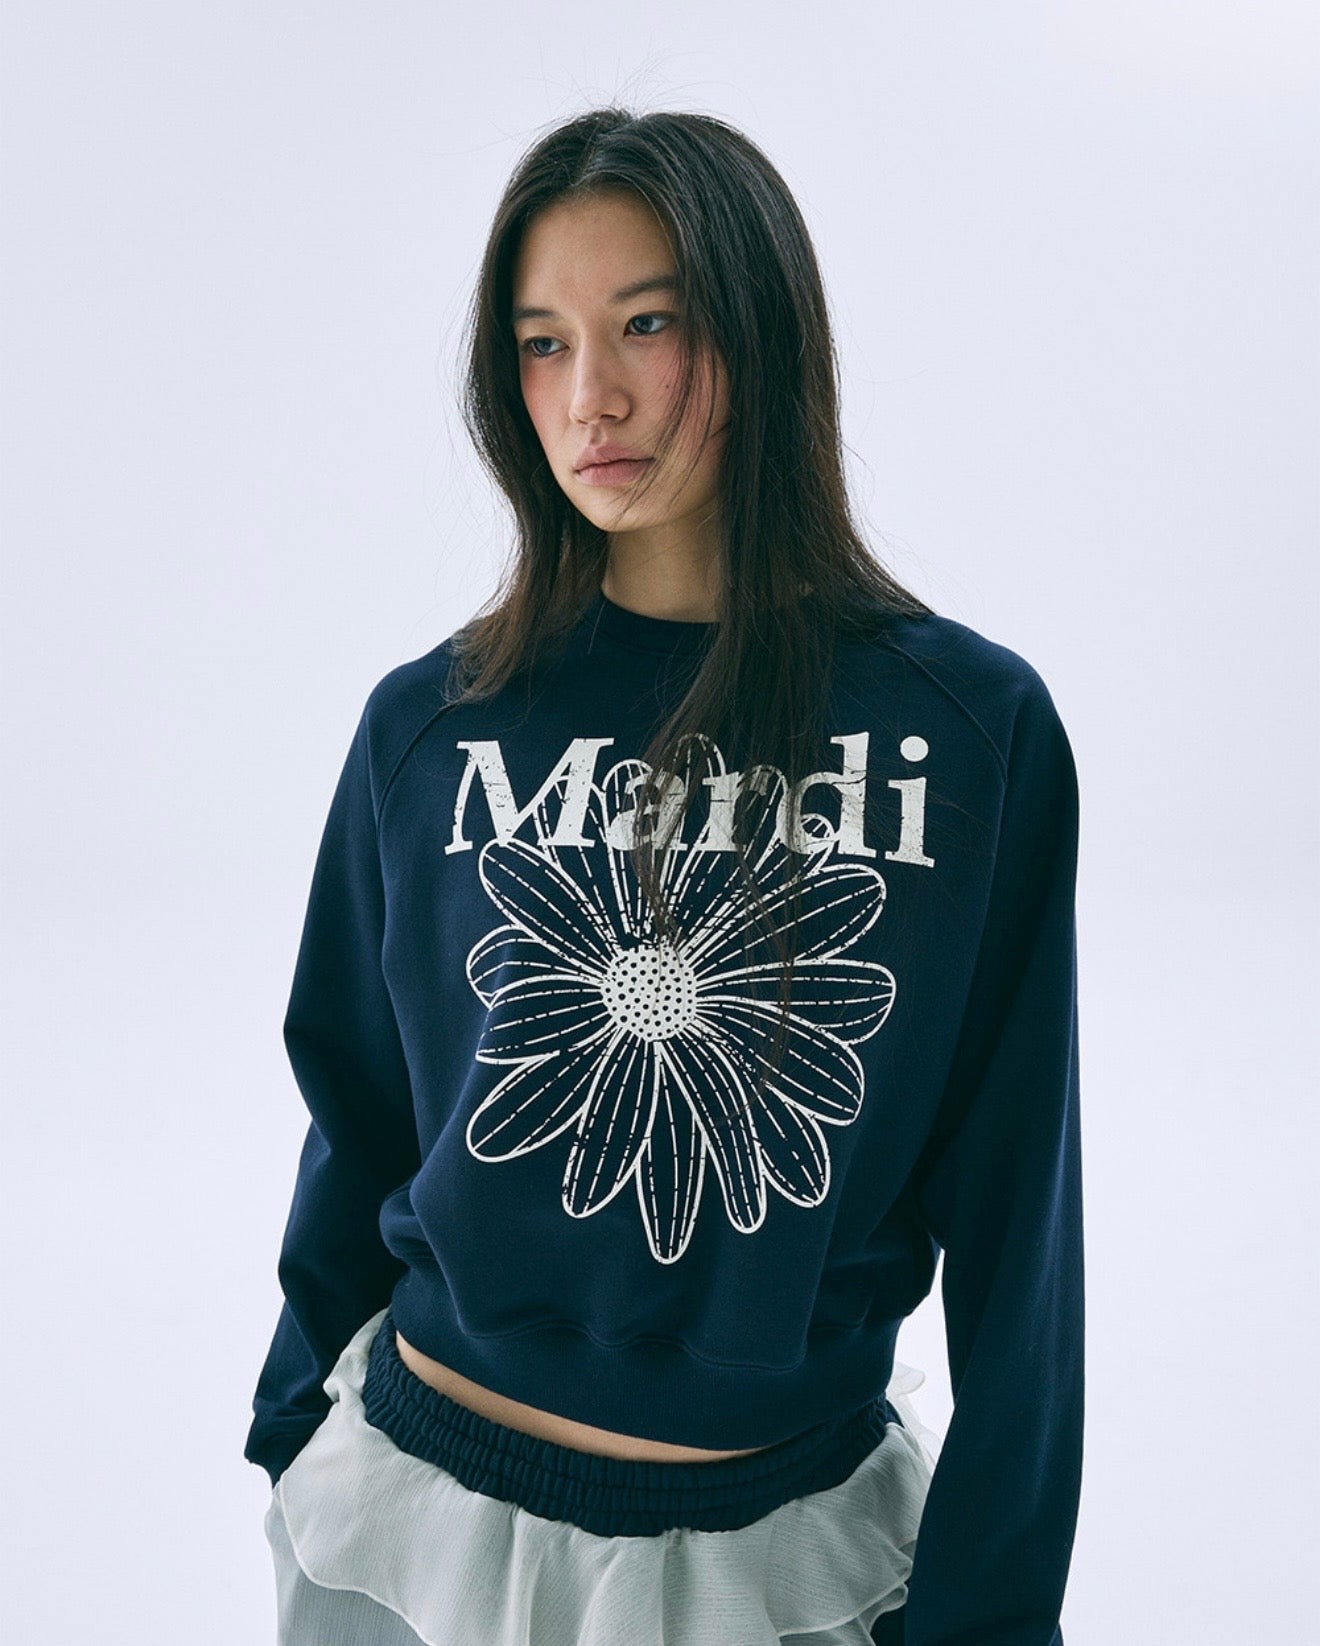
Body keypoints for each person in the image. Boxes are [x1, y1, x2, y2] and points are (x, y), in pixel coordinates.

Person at [246, 106, 1085, 1646]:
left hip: (774, 1565)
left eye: (647, 323)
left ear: (760, 331)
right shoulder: (430, 725)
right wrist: (292, 1423)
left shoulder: (968, 733)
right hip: (405, 1539)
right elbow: (355, 1114)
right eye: (543, 343)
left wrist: (992, 1609)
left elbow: (1020, 1219)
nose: (593, 397)